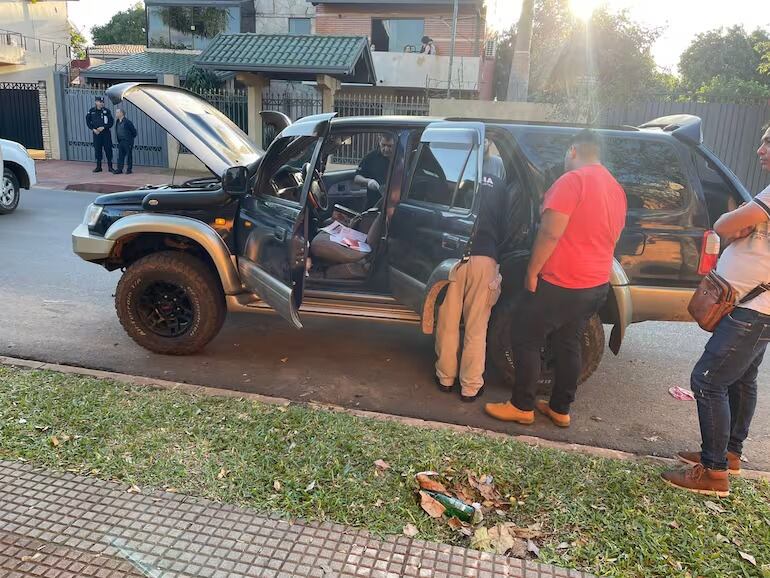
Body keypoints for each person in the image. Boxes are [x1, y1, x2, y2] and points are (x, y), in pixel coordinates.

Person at [485, 129, 626, 427]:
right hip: (596, 283)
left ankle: (522, 406)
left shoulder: (572, 181)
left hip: (562, 281)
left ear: (573, 150)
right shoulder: (615, 188)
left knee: (525, 336)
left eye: (565, 154)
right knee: (569, 342)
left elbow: (550, 232)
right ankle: (561, 409)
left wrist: (533, 271)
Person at [662, 124, 770, 497]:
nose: (760, 150)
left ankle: (713, 472)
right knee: (741, 379)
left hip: (753, 309)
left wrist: (741, 222)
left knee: (708, 380)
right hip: (755, 307)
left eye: (767, 142)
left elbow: (725, 224)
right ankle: (729, 453)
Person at [435, 173, 507, 401]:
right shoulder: (499, 183)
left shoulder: (457, 174)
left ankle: (445, 379)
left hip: (453, 257)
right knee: (476, 327)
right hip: (486, 258)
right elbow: (508, 225)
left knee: (448, 321)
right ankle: (470, 387)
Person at [354, 134, 395, 209]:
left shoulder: (403, 158)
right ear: (379, 140)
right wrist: (368, 181)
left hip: (395, 205)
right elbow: (357, 177)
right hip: (373, 205)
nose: (386, 149)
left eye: (390, 146)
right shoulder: (371, 157)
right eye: (383, 145)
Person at [85, 96, 114, 173]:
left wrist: (104, 127)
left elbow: (111, 123)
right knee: (97, 150)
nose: (102, 103)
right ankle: (98, 167)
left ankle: (110, 167)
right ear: (96, 102)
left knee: (108, 149)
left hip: (106, 134)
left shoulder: (107, 111)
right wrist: (93, 129)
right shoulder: (91, 111)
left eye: (103, 102)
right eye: (100, 102)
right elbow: (88, 122)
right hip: (97, 134)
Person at [112, 108, 137, 175]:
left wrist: (130, 140)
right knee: (120, 156)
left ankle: (129, 169)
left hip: (127, 141)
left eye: (117, 112)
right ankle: (119, 169)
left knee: (129, 155)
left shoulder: (127, 122)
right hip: (120, 141)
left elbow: (134, 132)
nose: (116, 114)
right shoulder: (117, 121)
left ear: (121, 113)